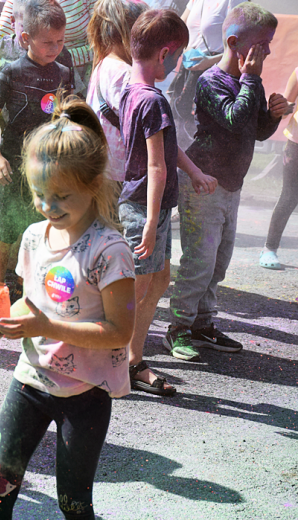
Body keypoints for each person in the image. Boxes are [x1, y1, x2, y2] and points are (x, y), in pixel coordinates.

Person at [0, 98, 136, 520]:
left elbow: (120, 331)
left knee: (74, 506)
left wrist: (49, 326)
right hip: (29, 382)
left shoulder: (110, 251)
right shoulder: (33, 236)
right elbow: (32, 301)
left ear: (93, 185)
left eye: (61, 196)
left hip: (85, 393)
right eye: (40, 194)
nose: (48, 205)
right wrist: (2, 321)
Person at [166, 2, 285, 361]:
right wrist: (250, 81)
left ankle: (203, 323)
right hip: (204, 185)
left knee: (219, 261)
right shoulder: (211, 82)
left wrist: (273, 115)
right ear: (234, 43)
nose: (268, 50)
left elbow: (255, 129)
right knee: (199, 261)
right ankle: (178, 328)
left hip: (231, 186)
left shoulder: (249, 80)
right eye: (262, 43)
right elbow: (234, 118)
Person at [118, 8, 216, 395]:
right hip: (146, 209)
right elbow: (156, 167)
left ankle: (131, 358)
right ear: (165, 53)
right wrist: (150, 221)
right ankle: (119, 362)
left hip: (147, 209)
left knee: (157, 281)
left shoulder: (132, 92)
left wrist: (193, 172)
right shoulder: (153, 101)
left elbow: (166, 149)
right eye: (179, 56)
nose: (179, 64)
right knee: (137, 289)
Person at [0, 0, 72, 301]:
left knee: (39, 235)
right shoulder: (10, 72)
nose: (55, 48)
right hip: (11, 166)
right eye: (47, 42)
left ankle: (29, 294)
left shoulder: (64, 72)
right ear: (25, 39)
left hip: (46, 170)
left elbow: (67, 118)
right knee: (4, 234)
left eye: (60, 41)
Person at [168, 0, 246, 149]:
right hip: (189, 74)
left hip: (215, 76)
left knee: (205, 133)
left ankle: (201, 170)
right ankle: (179, 169)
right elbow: (178, 26)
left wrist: (210, 61)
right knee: (179, 126)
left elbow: (243, 44)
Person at [86, 0, 148, 183]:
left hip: (102, 170)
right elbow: (149, 130)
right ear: (133, 34)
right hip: (121, 179)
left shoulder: (102, 64)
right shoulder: (125, 75)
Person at [0, 0, 95, 94]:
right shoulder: (17, 3)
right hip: (34, 73)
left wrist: (56, 56)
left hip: (85, 77)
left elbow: (105, 44)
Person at [261, 67, 298, 270]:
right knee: (289, 197)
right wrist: (277, 109)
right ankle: (269, 248)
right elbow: (289, 105)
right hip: (297, 146)